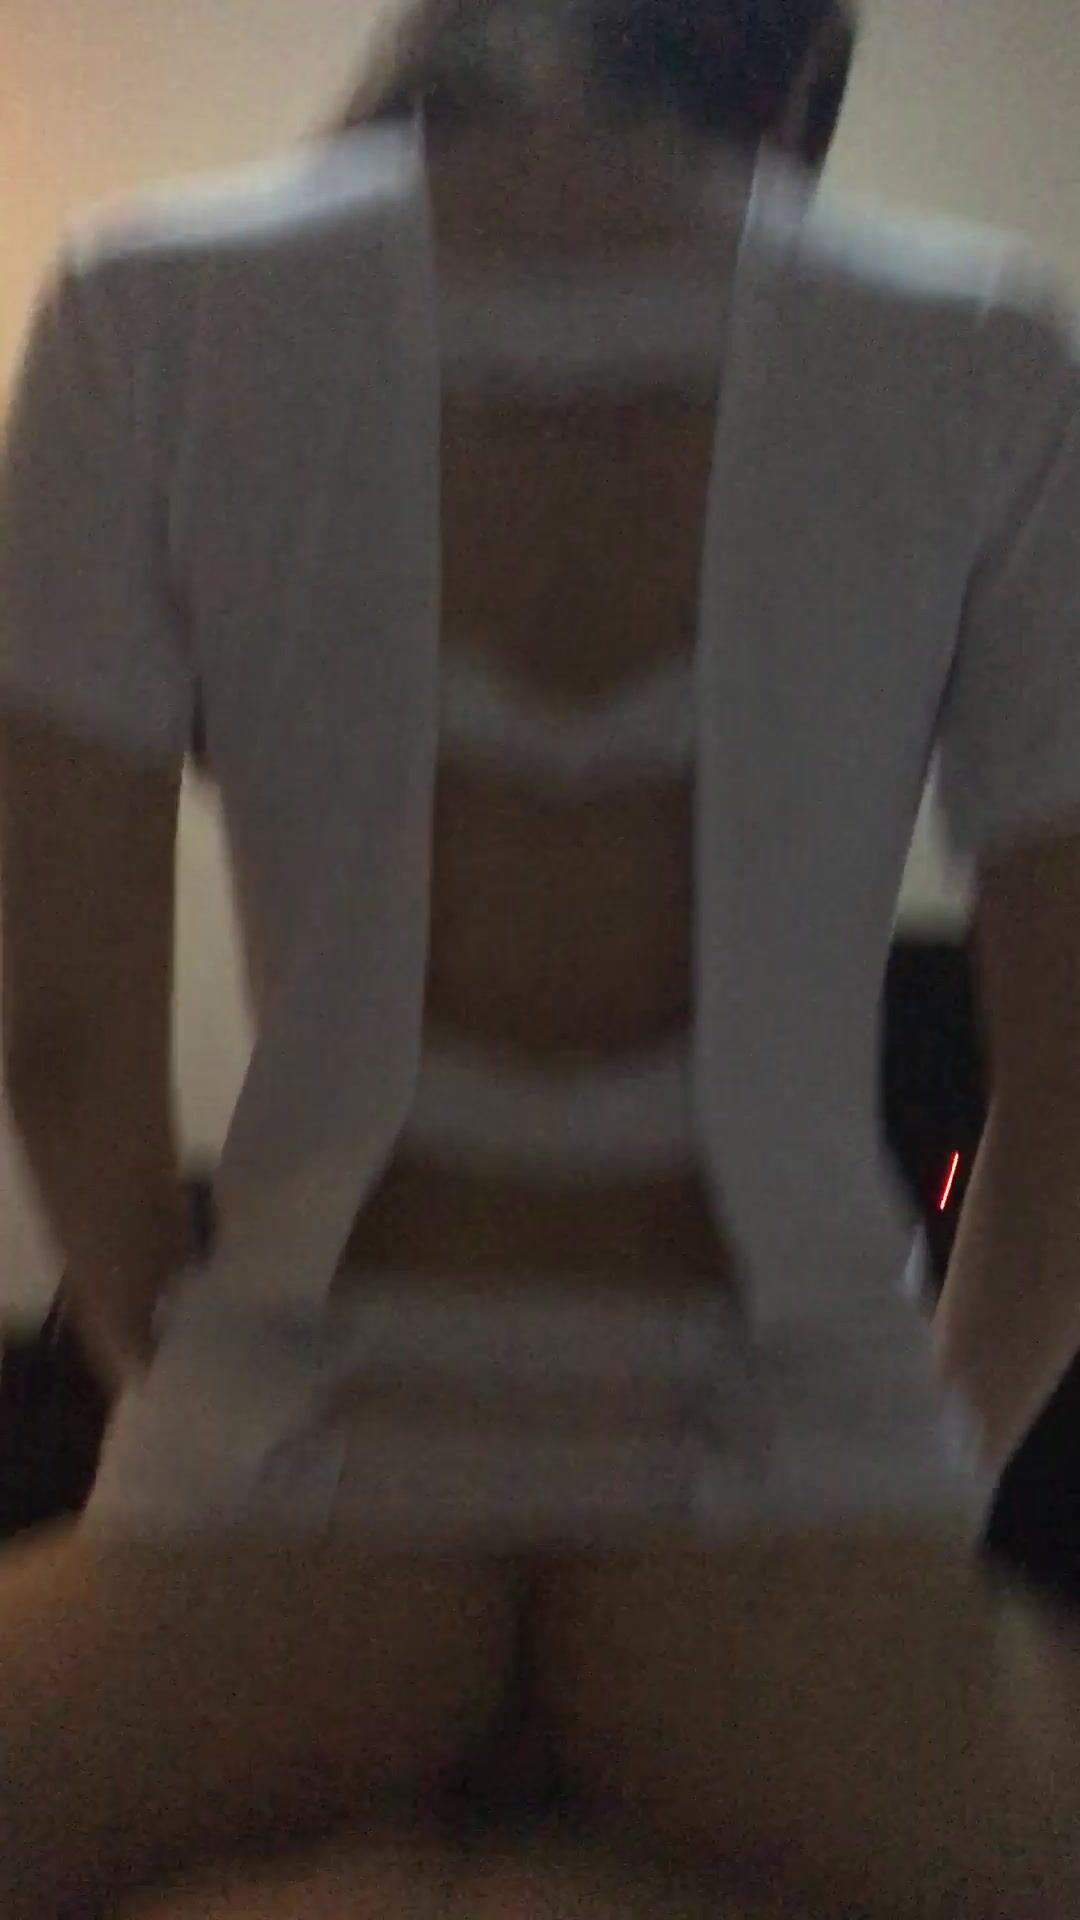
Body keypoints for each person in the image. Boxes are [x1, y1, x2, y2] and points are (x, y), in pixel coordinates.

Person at [2, 0, 1080, 1912]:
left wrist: (190, 1391)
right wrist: (916, 1479)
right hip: (779, 1557)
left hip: (307, 1526)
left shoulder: (143, 310)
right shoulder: (986, 348)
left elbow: (61, 1026)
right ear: (793, 66)